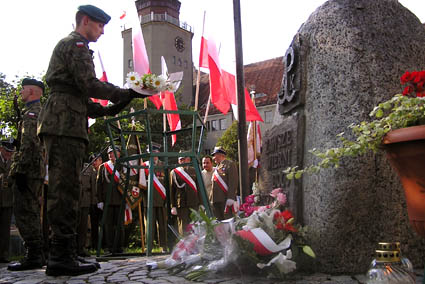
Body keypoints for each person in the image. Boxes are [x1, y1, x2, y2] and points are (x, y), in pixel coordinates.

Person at [37, 4, 149, 276]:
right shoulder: (75, 45)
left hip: (68, 119)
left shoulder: (73, 46)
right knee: (64, 191)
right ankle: (60, 256)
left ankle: (67, 252)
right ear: (85, 21)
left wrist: (116, 106)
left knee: (69, 189)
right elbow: (88, 84)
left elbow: (84, 99)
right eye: (99, 25)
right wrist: (124, 92)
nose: (102, 31)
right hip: (64, 124)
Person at [8, 78, 46, 271]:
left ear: (31, 91)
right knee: (31, 211)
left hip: (28, 170)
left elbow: (30, 143)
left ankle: (33, 254)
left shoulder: (32, 113)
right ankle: (36, 252)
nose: (20, 92)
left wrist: (20, 170)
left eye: (23, 89)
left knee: (25, 212)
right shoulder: (36, 112)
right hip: (34, 169)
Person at [97, 146, 125, 254]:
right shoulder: (103, 167)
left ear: (119, 154)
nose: (111, 155)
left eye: (114, 152)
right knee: (107, 225)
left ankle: (119, 247)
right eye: (110, 153)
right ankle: (109, 247)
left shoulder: (123, 166)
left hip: (119, 199)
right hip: (107, 199)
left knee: (119, 225)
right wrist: (99, 200)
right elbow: (99, 184)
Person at [142, 144, 167, 252]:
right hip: (148, 201)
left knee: (162, 225)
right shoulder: (144, 166)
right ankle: (149, 247)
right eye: (152, 153)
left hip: (162, 200)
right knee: (149, 226)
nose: (154, 156)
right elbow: (141, 184)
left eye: (156, 153)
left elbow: (167, 183)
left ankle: (164, 246)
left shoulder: (163, 165)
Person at [170, 154, 200, 235]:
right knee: (183, 227)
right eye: (181, 159)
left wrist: (201, 203)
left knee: (194, 225)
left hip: (194, 202)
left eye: (185, 159)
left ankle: (195, 246)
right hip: (181, 203)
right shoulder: (174, 172)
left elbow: (199, 188)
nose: (183, 161)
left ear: (189, 160)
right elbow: (172, 190)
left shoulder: (194, 170)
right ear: (178, 161)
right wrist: (173, 206)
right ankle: (185, 245)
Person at [77, 154, 98, 257]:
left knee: (83, 225)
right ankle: (71, 248)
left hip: (85, 199)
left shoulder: (89, 168)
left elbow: (93, 185)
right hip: (74, 199)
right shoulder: (71, 166)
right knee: (73, 224)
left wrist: (93, 201)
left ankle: (81, 247)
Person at [211, 146, 239, 220]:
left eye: (215, 155)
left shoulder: (229, 164)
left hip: (225, 199)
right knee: (219, 223)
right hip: (216, 200)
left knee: (227, 221)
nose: (213, 158)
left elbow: (233, 182)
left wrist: (230, 197)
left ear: (220, 155)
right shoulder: (217, 168)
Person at [0, 141, 15, 263]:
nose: (9, 155)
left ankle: (4, 254)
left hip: (7, 199)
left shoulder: (12, 163)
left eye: (11, 153)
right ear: (1, 149)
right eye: (7, 152)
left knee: (5, 229)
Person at [89, 154, 103, 250]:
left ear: (101, 161)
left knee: (104, 225)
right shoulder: (90, 172)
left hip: (102, 201)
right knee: (94, 225)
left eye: (96, 160)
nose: (94, 163)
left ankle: (103, 245)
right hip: (92, 202)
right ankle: (95, 245)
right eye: (93, 161)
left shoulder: (104, 171)